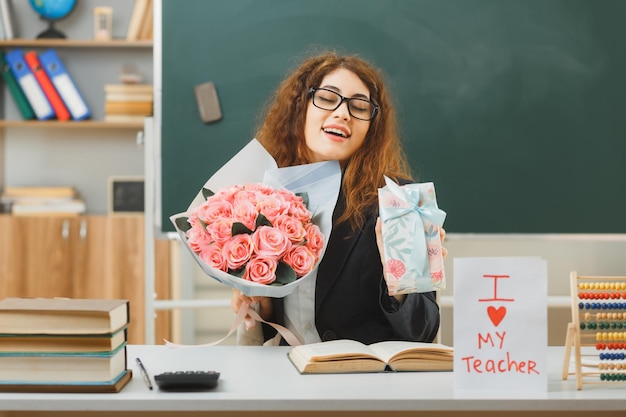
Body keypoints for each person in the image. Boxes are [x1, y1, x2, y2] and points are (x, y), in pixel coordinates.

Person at [231, 49, 445, 346]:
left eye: (359, 106)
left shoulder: (402, 202)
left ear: (371, 127)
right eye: (328, 98)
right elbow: (269, 334)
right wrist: (260, 304)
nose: (343, 113)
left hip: (368, 383)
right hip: (288, 377)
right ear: (299, 108)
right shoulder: (263, 198)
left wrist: (400, 282)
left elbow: (424, 331)